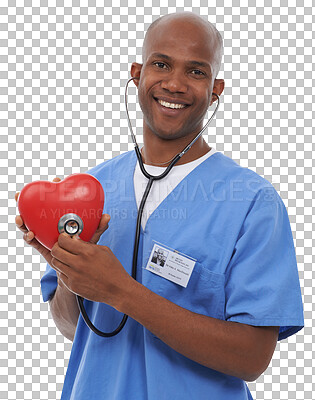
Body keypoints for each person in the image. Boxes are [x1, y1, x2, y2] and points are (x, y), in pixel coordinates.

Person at [15, 12, 304, 400]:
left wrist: (122, 291)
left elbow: (252, 357)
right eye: (161, 64)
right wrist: (69, 273)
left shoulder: (251, 201)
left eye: (196, 72)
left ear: (216, 89)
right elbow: (73, 327)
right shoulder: (92, 189)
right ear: (137, 73)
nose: (175, 83)